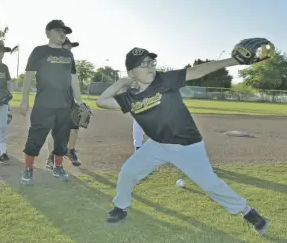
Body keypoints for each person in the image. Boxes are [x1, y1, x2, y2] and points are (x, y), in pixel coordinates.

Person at [96, 42, 272, 235]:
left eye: (151, 61)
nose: (150, 66)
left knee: (210, 184)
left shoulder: (165, 80)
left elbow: (197, 71)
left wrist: (232, 61)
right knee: (128, 171)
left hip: (188, 146)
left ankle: (248, 213)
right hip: (157, 145)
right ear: (131, 73)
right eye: (143, 64)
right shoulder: (128, 98)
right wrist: (121, 82)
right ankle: (120, 208)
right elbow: (101, 101)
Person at [19, 20, 85, 185]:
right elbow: (28, 76)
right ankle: (28, 168)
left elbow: (73, 79)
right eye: (58, 30)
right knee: (35, 137)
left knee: (62, 139)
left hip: (65, 105)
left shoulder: (68, 55)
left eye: (64, 32)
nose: (62, 34)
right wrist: (24, 99)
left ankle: (58, 166)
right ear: (48, 33)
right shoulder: (39, 51)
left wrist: (80, 101)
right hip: (44, 104)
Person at [46, 37, 81, 169]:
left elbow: (74, 79)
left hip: (69, 99)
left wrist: (79, 101)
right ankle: (51, 156)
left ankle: (70, 151)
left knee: (74, 128)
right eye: (68, 47)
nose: (70, 50)